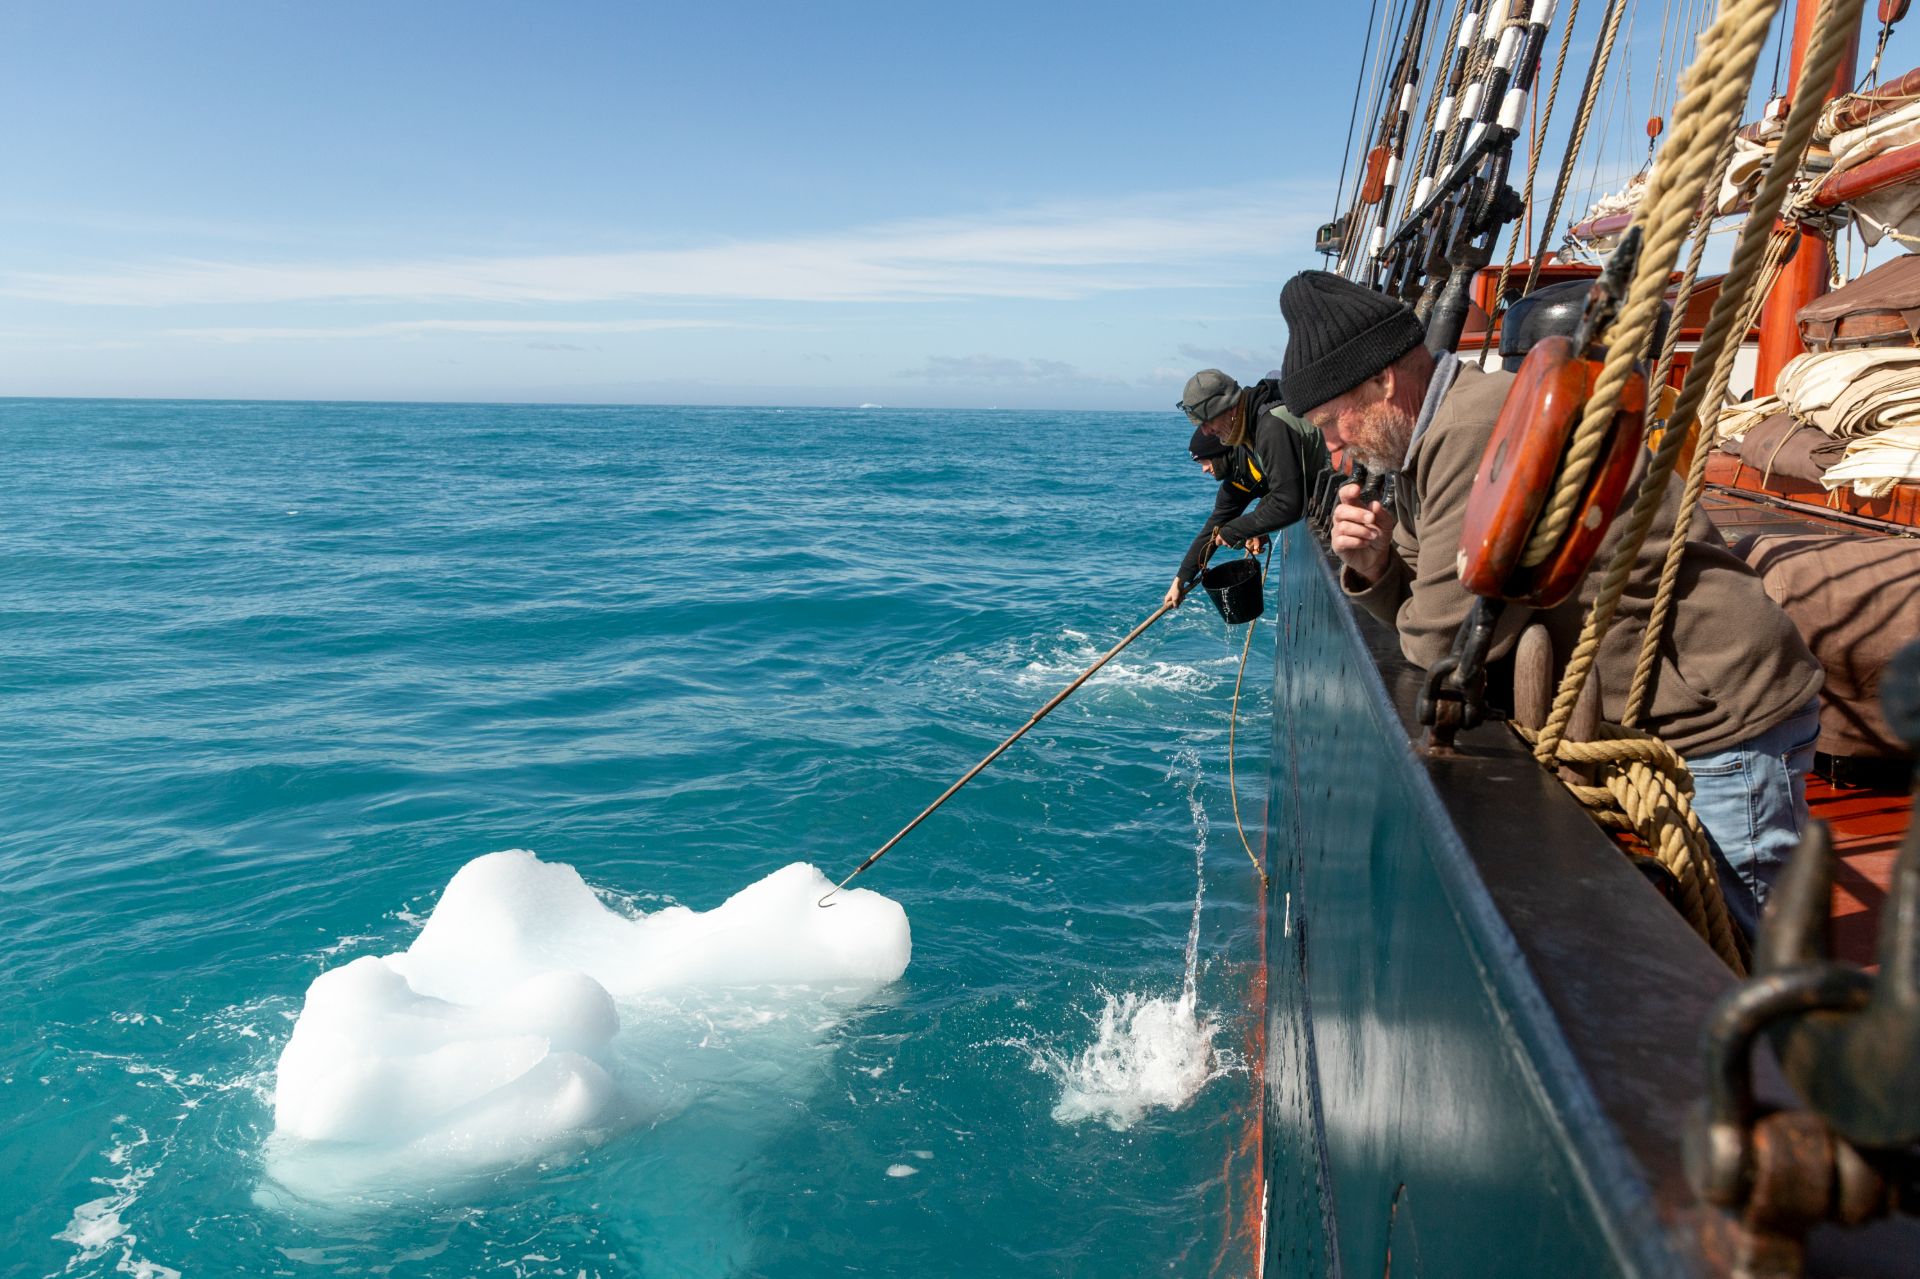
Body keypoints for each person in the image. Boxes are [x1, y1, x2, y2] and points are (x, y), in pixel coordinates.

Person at [1277, 269, 1823, 939]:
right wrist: (1378, 565)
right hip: (1670, 708)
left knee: (1753, 944)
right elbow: (1431, 599)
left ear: (1382, 382)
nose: (1335, 451)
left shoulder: (1472, 430)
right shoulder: (1432, 439)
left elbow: (1441, 639)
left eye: (1332, 424)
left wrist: (1403, 586)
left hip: (1719, 710)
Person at [1164, 369, 1330, 609]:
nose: (1206, 432)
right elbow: (1216, 523)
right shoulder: (1250, 435)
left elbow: (1289, 503)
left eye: (1207, 422)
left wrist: (1235, 530)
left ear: (1229, 408)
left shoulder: (1270, 426)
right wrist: (1181, 579)